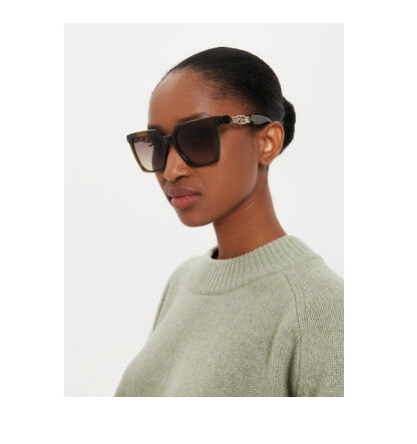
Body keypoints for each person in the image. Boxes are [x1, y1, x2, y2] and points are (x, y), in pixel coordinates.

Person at [115, 46, 343, 397]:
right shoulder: (184, 281)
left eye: (198, 137)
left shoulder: (319, 308)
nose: (171, 170)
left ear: (268, 142)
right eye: (157, 145)